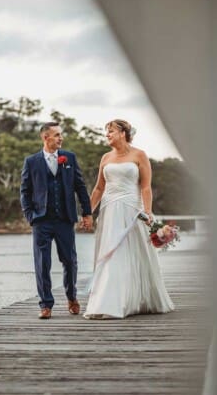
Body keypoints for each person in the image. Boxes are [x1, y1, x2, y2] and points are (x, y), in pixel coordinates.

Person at [84, 119, 174, 319]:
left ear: (123, 133)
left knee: (133, 253)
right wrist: (88, 212)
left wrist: (148, 212)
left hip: (132, 210)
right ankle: (106, 302)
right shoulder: (105, 157)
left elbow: (145, 186)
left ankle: (135, 299)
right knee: (110, 253)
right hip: (109, 211)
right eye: (106, 132)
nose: (107, 135)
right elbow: (99, 188)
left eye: (111, 131)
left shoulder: (139, 155)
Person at [20, 122, 93, 319]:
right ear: (46, 137)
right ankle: (46, 304)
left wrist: (87, 212)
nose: (61, 138)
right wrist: (30, 216)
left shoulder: (69, 157)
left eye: (61, 135)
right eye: (57, 135)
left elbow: (80, 186)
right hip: (41, 221)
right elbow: (25, 192)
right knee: (42, 263)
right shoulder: (31, 161)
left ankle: (72, 297)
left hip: (65, 220)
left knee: (69, 261)